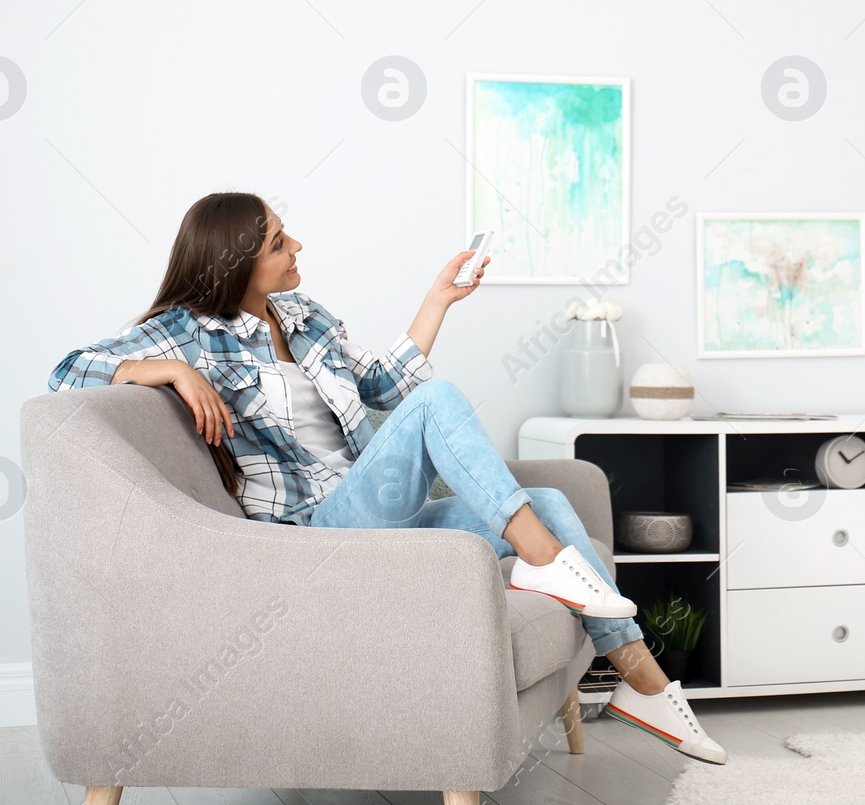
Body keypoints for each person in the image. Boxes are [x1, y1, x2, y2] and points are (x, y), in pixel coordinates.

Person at [47, 191, 727, 764]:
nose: (298, 248)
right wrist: (163, 369)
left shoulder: (304, 317)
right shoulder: (190, 331)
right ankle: (545, 562)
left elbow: (379, 384)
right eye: (281, 241)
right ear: (237, 261)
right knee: (446, 412)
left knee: (543, 500)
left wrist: (438, 300)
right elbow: (67, 372)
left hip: (363, 503)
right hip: (307, 532)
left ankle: (643, 680)